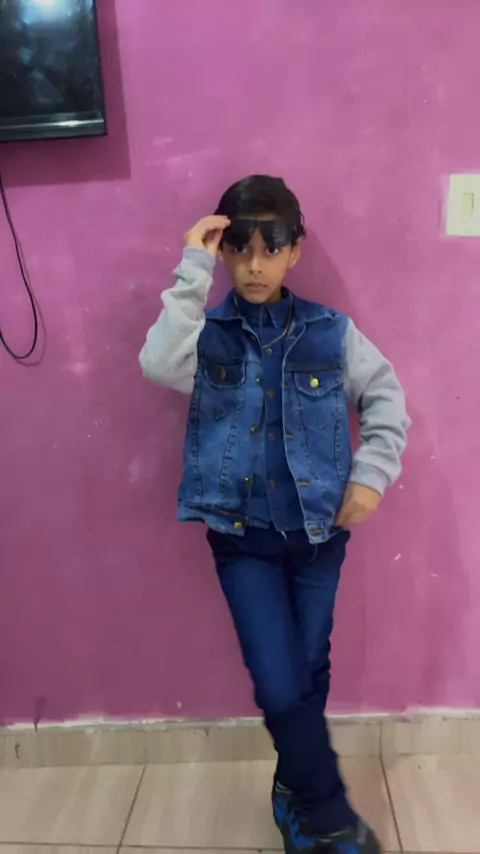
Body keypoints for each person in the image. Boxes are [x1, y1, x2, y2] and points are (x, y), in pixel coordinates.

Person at [139, 175, 410, 854]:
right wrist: (193, 264)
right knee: (279, 680)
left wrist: (372, 477)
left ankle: (292, 794)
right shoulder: (207, 334)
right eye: (239, 249)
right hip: (242, 537)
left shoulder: (330, 332)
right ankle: (329, 813)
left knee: (309, 667)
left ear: (296, 251)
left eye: (271, 249)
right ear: (224, 252)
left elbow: (385, 398)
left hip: (320, 534)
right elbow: (159, 365)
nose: (254, 266)